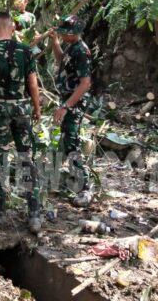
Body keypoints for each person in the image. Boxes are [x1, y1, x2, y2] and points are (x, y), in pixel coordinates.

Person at [0, 12, 42, 234]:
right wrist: (37, 108)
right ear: (12, 28)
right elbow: (33, 84)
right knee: (26, 158)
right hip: (22, 108)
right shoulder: (26, 51)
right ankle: (34, 215)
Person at [46, 15, 94, 207]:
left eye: (65, 33)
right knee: (67, 138)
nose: (63, 35)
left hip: (74, 101)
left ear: (75, 34)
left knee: (72, 140)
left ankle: (85, 187)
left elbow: (85, 84)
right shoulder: (71, 47)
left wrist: (66, 107)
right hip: (66, 98)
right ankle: (70, 177)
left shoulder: (82, 51)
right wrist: (55, 42)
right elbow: (61, 61)